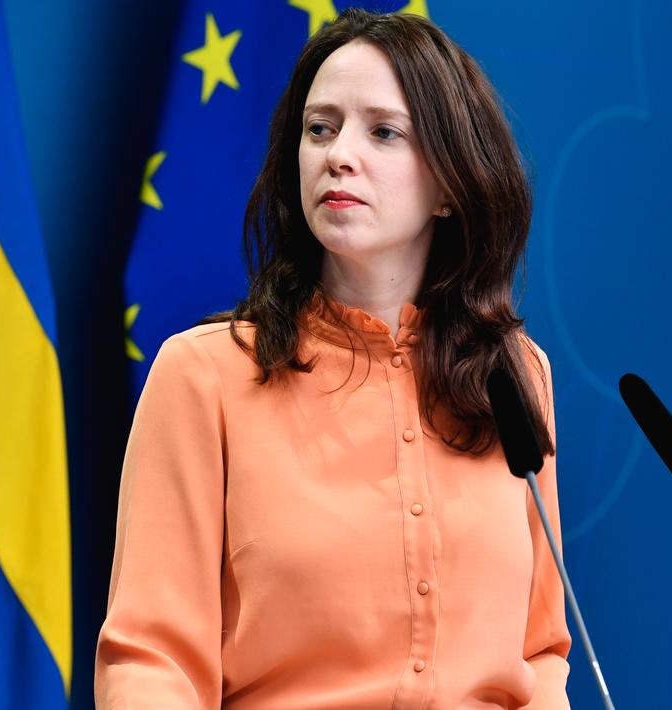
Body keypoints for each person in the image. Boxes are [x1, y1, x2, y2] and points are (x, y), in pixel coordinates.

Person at [96, 9, 570, 708]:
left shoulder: (515, 372)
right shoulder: (203, 376)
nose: (338, 155)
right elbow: (150, 660)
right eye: (320, 129)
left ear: (449, 184)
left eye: (383, 132)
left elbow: (541, 650)